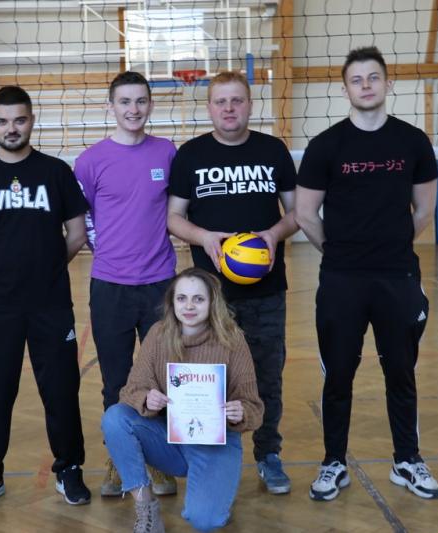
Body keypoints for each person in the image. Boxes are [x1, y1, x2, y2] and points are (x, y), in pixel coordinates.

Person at [295, 46, 438, 501]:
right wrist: (338, 251)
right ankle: (333, 462)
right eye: (356, 80)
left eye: (373, 77)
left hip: (397, 277)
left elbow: (425, 209)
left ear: (387, 83)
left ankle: (407, 460)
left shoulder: (413, 141)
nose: (365, 85)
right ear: (345, 90)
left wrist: (392, 245)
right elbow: (305, 214)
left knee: (401, 372)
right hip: (342, 279)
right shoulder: (326, 145)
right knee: (339, 374)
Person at [0, 85, 92, 510]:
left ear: (31, 121)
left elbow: (77, 234)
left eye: (19, 120)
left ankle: (69, 470)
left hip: (51, 303)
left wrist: (46, 269)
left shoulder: (56, 172)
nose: (11, 128)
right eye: (2, 121)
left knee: (61, 391)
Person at [167, 71, 298, 494]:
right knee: (207, 377)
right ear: (209, 108)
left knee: (266, 377)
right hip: (209, 297)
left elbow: (297, 212)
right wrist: (204, 237)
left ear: (250, 104)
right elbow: (173, 217)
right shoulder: (191, 155)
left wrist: (273, 234)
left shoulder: (273, 150)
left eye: (237, 100)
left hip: (266, 292)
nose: (229, 108)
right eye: (221, 101)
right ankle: (206, 458)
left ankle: (268, 454)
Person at [74, 72, 178, 497]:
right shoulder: (90, 160)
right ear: (111, 106)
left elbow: (177, 209)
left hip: (160, 283)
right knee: (116, 378)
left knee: (162, 377)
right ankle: (120, 462)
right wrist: (111, 254)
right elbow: (83, 218)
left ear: (150, 104)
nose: (133, 109)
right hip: (110, 286)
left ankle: (160, 462)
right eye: (124, 102)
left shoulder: (167, 152)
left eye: (140, 101)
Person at [101, 267, 263, 532]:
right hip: (168, 438)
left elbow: (254, 406)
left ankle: (216, 493)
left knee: (205, 521)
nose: (189, 306)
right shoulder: (159, 334)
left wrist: (240, 411)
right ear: (172, 302)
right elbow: (131, 391)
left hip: (215, 443)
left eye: (198, 299)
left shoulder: (232, 338)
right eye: (181, 298)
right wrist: (146, 399)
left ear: (212, 302)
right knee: (115, 418)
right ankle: (146, 507)